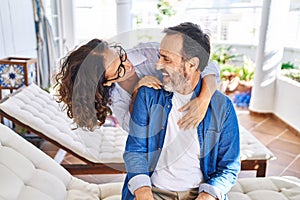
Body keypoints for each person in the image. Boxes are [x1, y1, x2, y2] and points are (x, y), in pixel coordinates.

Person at [122, 22, 240, 200]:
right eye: (159, 57)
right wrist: (144, 193)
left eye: (167, 59)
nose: (158, 66)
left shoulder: (223, 107)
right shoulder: (147, 96)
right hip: (153, 191)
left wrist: (207, 196)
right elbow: (135, 151)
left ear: (192, 65)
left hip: (199, 194)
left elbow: (229, 167)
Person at [55, 37, 220, 132]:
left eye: (121, 56)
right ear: (106, 82)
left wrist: (203, 101)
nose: (128, 65)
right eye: (119, 69)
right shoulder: (116, 98)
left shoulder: (147, 52)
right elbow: (133, 128)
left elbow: (206, 64)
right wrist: (137, 92)